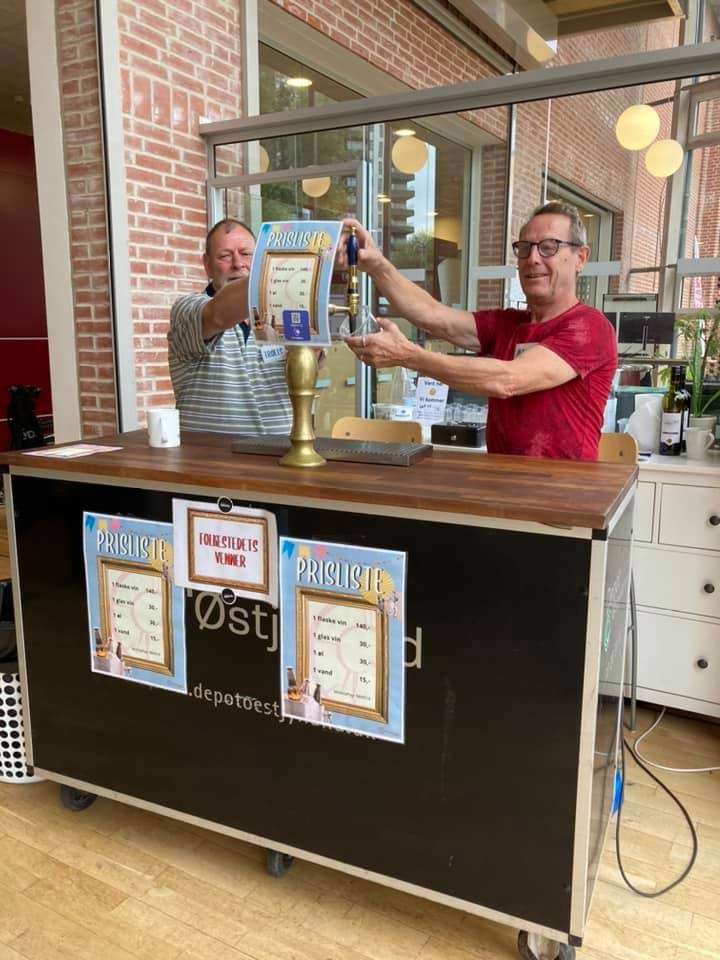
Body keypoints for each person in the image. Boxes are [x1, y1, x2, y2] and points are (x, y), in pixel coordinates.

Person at [344, 201, 617, 460]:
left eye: (549, 247)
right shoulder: (509, 324)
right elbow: (432, 315)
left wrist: (407, 355)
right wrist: (378, 267)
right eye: (524, 248)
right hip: (501, 482)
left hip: (563, 490)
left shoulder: (590, 327)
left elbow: (508, 380)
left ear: (581, 257)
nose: (533, 258)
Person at [168, 219, 292, 435]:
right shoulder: (187, 309)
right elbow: (218, 315)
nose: (238, 263)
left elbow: (308, 365)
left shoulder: (281, 312)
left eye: (246, 254)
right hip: (209, 454)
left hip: (281, 449)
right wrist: (288, 269)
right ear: (207, 265)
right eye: (225, 256)